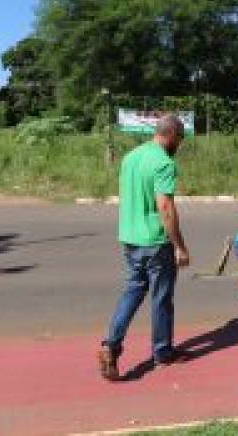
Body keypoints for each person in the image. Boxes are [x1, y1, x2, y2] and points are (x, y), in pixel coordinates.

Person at [98, 115, 190, 381]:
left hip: (129, 236)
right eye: (180, 139)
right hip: (155, 241)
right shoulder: (163, 163)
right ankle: (162, 352)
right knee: (161, 297)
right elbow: (165, 207)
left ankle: (110, 345)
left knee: (133, 290)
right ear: (171, 134)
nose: (179, 145)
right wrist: (180, 246)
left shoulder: (132, 157)